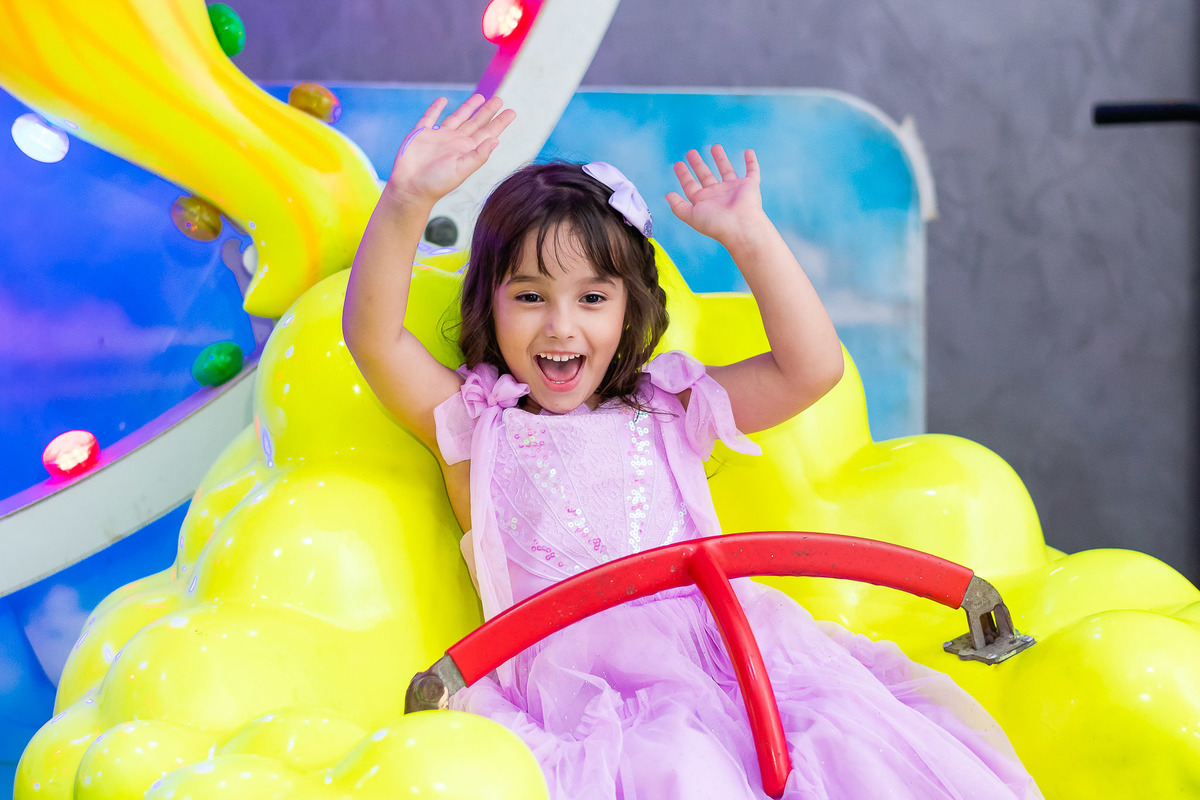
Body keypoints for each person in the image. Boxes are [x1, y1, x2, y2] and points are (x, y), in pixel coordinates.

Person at [343, 93, 1041, 800]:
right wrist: (406, 198)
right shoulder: (474, 425)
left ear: (628, 308)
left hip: (733, 664)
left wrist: (750, 238)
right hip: (587, 704)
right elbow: (373, 339)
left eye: (592, 299)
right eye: (529, 296)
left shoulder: (667, 409)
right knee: (682, 767)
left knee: (844, 745)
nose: (560, 327)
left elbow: (812, 369)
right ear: (488, 304)